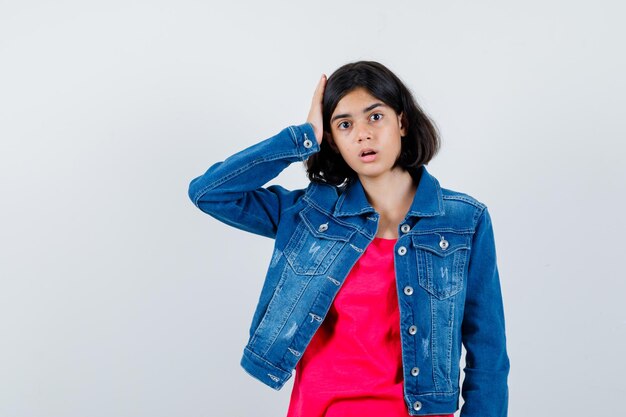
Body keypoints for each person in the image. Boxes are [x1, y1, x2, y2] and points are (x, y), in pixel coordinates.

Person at [188, 61, 510, 417]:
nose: (362, 134)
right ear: (333, 139)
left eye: (375, 117)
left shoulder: (464, 220)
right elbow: (209, 193)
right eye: (344, 124)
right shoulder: (310, 216)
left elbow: (488, 350)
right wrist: (303, 137)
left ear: (401, 122)